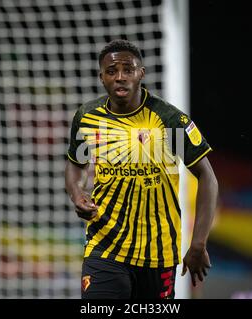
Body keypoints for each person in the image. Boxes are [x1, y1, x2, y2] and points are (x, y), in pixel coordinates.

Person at [65, 39, 218, 299]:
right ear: (102, 77)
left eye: (128, 69)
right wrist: (77, 193)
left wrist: (198, 243)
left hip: (158, 253)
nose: (120, 77)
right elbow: (75, 165)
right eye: (112, 71)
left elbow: (207, 177)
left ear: (141, 73)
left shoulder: (170, 120)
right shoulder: (87, 117)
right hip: (105, 245)